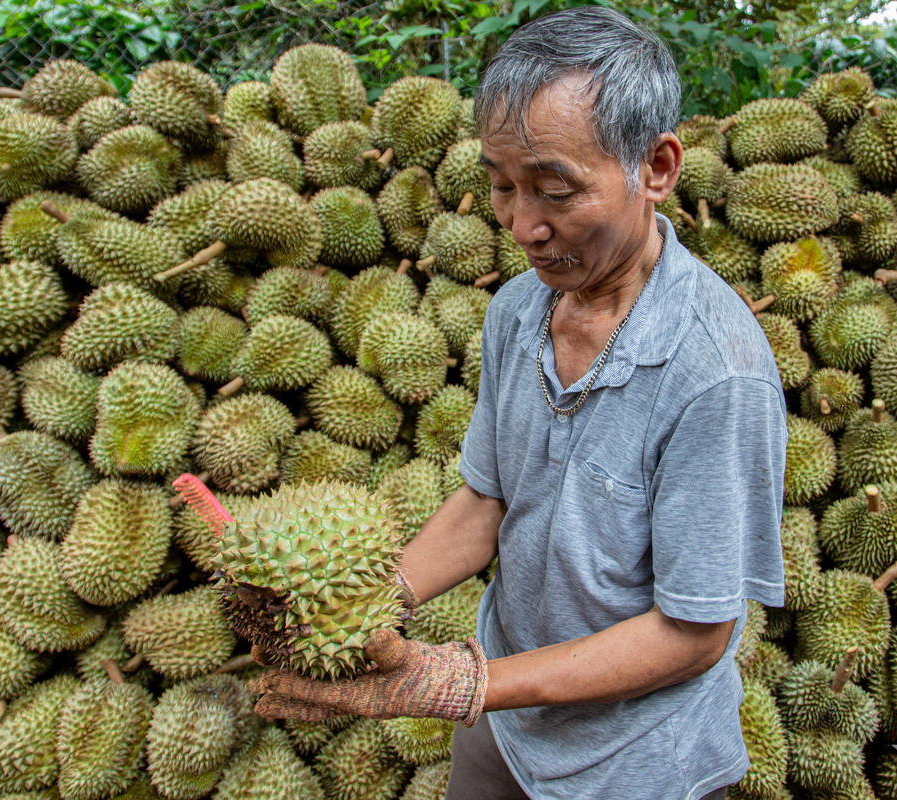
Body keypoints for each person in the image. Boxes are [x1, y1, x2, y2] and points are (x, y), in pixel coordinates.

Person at [250, 7, 789, 799]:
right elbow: (489, 499)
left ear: (657, 167)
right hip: (509, 728)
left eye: (555, 190)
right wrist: (365, 605)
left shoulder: (718, 373)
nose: (524, 226)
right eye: (502, 186)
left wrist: (467, 686)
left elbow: (694, 632)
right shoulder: (518, 311)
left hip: (633, 762)